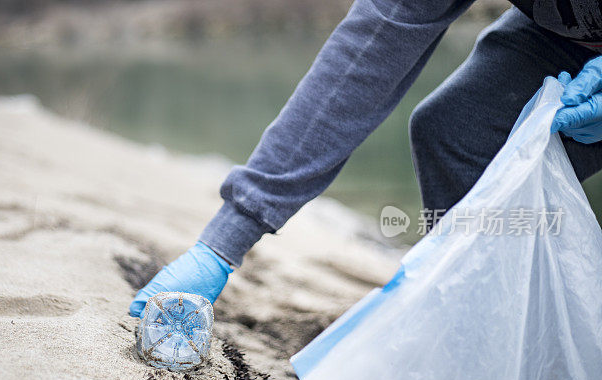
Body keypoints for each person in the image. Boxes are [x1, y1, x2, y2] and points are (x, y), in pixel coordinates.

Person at [129, 0, 602, 318]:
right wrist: (224, 240)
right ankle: (484, 334)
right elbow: (364, 59)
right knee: (457, 130)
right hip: (565, 38)